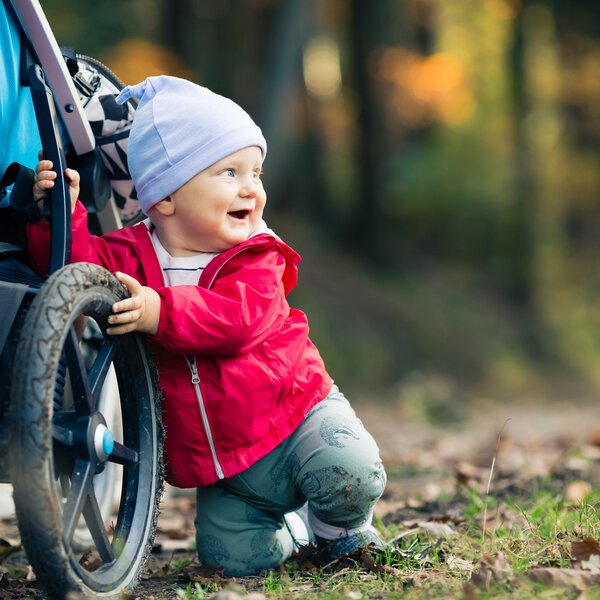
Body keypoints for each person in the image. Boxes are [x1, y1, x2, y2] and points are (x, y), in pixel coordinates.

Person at [28, 76, 387, 576]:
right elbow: (80, 272)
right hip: (229, 470)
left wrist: (161, 313)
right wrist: (59, 216)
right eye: (229, 172)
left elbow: (239, 320)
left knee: (352, 472)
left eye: (255, 172)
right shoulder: (133, 256)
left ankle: (339, 531)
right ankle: (294, 531)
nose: (251, 188)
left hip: (296, 418)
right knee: (233, 560)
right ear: (167, 197)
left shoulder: (256, 255)